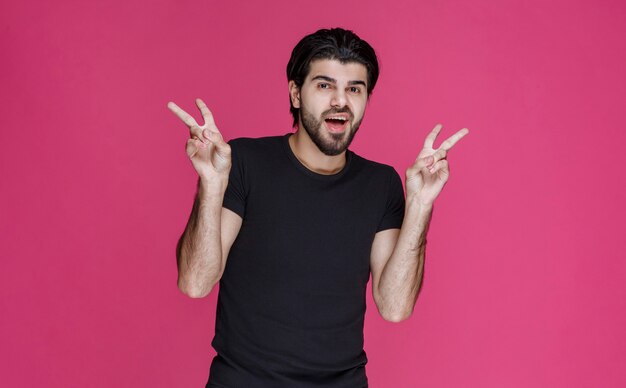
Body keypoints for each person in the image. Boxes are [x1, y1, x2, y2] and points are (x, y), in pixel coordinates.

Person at [167, 27, 468, 388]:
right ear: (296, 93)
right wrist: (212, 185)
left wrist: (420, 205)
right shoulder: (244, 162)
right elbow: (195, 283)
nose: (340, 101)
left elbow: (395, 307)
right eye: (325, 85)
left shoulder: (381, 184)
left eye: (354, 89)